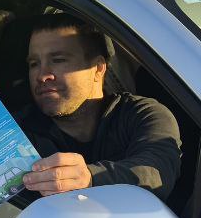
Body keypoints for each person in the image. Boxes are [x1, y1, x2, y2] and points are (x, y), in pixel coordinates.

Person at [18, 13, 182, 199]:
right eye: (34, 63)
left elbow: (157, 170)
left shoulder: (144, 115)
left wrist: (90, 178)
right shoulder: (14, 133)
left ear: (98, 68)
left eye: (58, 60)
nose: (42, 75)